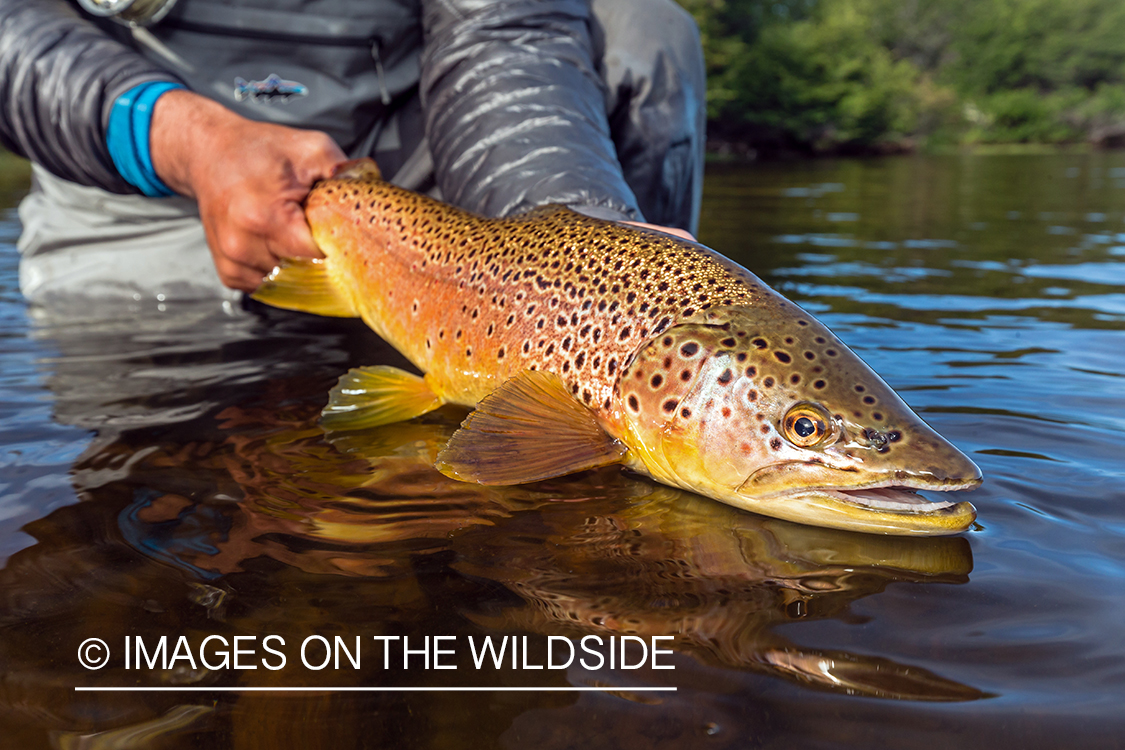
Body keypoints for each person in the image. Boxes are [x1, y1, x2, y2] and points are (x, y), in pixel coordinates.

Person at [0, 0, 705, 308]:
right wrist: (186, 140)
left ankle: (600, 369)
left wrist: (576, 237)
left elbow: (508, 41)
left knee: (643, 30)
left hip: (409, 182)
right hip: (135, 180)